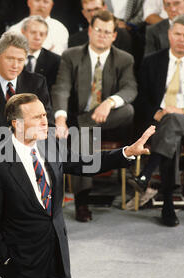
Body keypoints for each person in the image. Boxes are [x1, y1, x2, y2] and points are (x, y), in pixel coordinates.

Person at [0, 93, 155, 278]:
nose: (45, 122)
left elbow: (86, 162)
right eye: (37, 117)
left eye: (44, 115)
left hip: (58, 258)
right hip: (21, 267)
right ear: (17, 124)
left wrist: (127, 152)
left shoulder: (49, 146)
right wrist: (6, 260)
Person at [129, 15, 184, 227]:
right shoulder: (152, 62)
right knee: (170, 133)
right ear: (169, 35)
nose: (181, 39)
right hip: (159, 124)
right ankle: (168, 204)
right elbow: (140, 98)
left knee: (173, 121)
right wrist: (156, 112)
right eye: (177, 34)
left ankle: (148, 173)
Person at [51, 10, 137, 222]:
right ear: (89, 30)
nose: (102, 35)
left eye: (107, 32)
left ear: (114, 36)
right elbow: (61, 88)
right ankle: (82, 201)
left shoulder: (124, 59)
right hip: (81, 117)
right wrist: (60, 119)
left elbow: (130, 88)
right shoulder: (71, 55)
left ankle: (81, 125)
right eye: (98, 30)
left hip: (110, 120)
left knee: (128, 109)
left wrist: (109, 102)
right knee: (84, 135)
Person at [0, 31, 53, 163]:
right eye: (10, 59)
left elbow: (47, 126)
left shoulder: (37, 83)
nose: (15, 66)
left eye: (20, 60)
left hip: (33, 156)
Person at [68, 0, 133, 57]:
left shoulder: (122, 35)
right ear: (84, 13)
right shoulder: (74, 41)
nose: (93, 14)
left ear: (104, 8)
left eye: (96, 9)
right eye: (89, 10)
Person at [20, 15, 60, 91]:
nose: (37, 37)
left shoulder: (56, 61)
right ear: (23, 32)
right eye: (33, 32)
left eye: (41, 34)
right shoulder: (12, 56)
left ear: (46, 36)